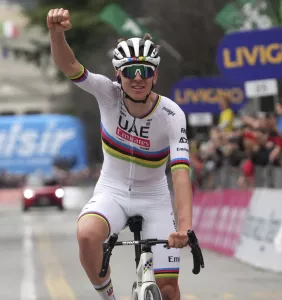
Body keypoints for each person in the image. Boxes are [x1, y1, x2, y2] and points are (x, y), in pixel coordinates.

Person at [48, 7, 195, 300]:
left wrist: (185, 227)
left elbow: (179, 173)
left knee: (168, 290)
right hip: (112, 191)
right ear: (118, 74)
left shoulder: (171, 114)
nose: (137, 78)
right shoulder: (107, 93)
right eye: (130, 72)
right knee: (87, 234)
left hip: (154, 196)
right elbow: (70, 66)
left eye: (145, 72)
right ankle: (109, 296)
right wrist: (56, 33)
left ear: (155, 75)